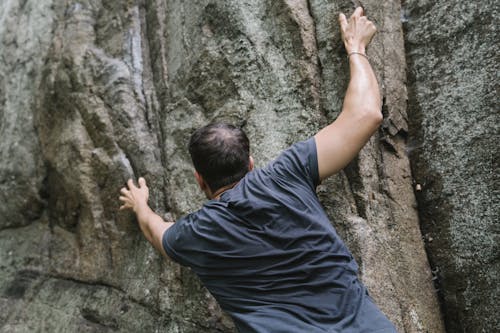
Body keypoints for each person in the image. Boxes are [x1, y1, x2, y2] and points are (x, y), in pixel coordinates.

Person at [119, 7, 398, 333]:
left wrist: (141, 206)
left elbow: (158, 232)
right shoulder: (289, 172)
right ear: (250, 163)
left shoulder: (197, 234)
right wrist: (355, 47)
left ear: (200, 181)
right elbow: (366, 114)